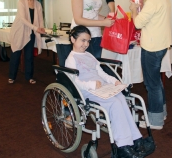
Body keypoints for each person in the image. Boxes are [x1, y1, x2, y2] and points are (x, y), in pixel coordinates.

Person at [65, 25, 154, 158]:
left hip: (102, 87)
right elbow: (74, 81)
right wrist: (91, 84)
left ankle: (136, 138)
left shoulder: (89, 55)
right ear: (73, 39)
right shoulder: (71, 59)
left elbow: (101, 73)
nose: (86, 44)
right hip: (87, 90)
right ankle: (123, 146)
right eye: (82, 40)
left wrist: (114, 81)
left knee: (122, 99)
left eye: (88, 41)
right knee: (115, 103)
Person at [129, 0, 172, 130]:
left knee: (152, 84)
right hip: (160, 44)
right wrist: (140, 7)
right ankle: (161, 113)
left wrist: (133, 10)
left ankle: (155, 121)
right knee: (157, 83)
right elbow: (150, 18)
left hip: (152, 47)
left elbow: (138, 23)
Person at [8, 0, 46, 84]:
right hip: (20, 31)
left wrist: (41, 28)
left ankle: (29, 77)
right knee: (16, 53)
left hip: (31, 32)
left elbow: (40, 19)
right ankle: (12, 76)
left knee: (29, 56)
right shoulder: (21, 2)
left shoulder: (38, 4)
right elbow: (23, 19)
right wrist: (35, 28)